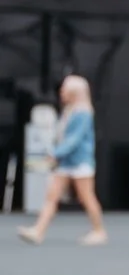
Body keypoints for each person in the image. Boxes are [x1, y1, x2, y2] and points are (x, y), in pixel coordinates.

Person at [18, 76, 107, 246]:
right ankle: (38, 231)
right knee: (51, 196)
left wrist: (56, 153)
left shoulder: (83, 113)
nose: (61, 92)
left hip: (80, 162)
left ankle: (99, 231)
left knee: (86, 197)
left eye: (65, 90)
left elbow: (75, 139)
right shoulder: (70, 111)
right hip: (66, 162)